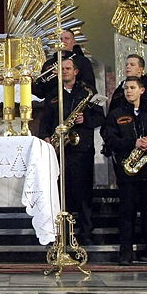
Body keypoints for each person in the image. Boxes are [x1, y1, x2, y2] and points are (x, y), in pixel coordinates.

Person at [37, 57, 105, 241]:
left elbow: (101, 118)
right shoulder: (53, 94)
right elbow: (45, 120)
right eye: (62, 69)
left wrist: (86, 120)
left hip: (81, 148)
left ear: (76, 71)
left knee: (83, 191)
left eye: (68, 68)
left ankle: (86, 231)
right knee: (60, 191)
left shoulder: (88, 92)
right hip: (60, 150)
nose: (65, 71)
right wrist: (46, 137)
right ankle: (62, 232)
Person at [101, 77, 147, 264]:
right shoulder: (115, 114)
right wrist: (133, 143)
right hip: (127, 171)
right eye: (126, 88)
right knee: (126, 213)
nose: (129, 91)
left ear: (141, 90)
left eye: (132, 88)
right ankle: (126, 251)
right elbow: (110, 140)